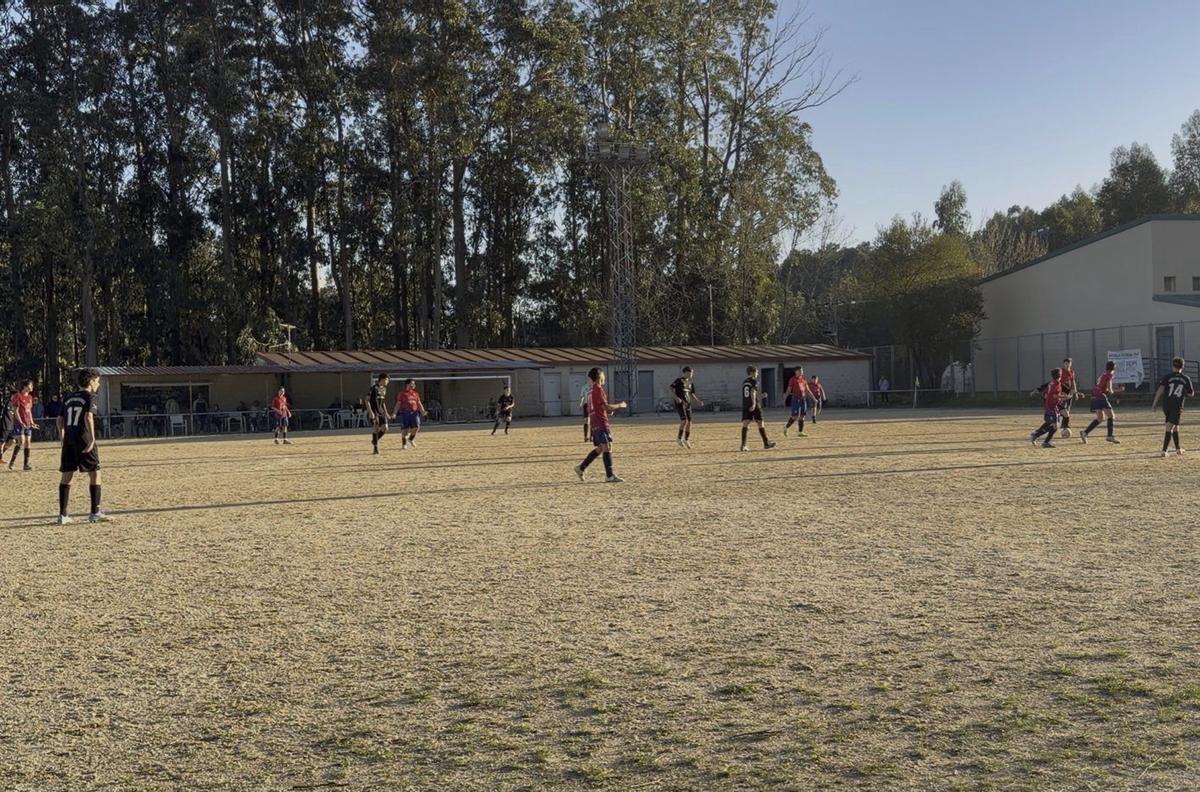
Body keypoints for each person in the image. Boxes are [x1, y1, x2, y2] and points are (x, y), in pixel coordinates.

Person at [57, 368, 110, 524]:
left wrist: (62, 438)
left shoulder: (67, 397)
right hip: (83, 438)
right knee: (95, 473)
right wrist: (92, 438)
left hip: (69, 440)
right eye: (98, 381)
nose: (98, 384)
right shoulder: (90, 396)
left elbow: (59, 420)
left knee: (67, 475)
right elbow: (88, 416)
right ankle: (95, 512)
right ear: (91, 381)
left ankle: (63, 515)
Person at [574, 367, 627, 483]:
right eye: (603, 375)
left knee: (601, 448)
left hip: (595, 422)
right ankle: (609, 476)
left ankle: (581, 468)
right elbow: (605, 407)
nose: (604, 378)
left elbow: (598, 408)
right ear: (599, 377)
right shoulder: (598, 389)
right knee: (607, 446)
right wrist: (620, 405)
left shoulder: (590, 391)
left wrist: (607, 410)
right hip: (601, 422)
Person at [1150, 357, 1194, 458]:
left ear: (1172, 366)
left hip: (1166, 404)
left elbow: (1160, 390)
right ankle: (1164, 450)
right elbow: (1191, 394)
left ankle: (1178, 449)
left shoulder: (1167, 377)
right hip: (1177, 405)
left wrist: (1154, 403)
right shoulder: (1185, 378)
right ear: (1183, 366)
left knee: (1175, 426)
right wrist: (1184, 392)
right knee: (1170, 426)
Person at [1080, 361, 1122, 444]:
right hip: (1100, 397)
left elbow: (1101, 386)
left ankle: (1085, 433)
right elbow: (1110, 389)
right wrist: (1118, 390)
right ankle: (1110, 436)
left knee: (1100, 418)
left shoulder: (1103, 374)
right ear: (1113, 368)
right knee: (1111, 416)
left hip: (1094, 396)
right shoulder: (1109, 375)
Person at [741, 366, 777, 452]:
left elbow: (749, 394)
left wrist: (761, 396)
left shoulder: (745, 382)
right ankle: (766, 443)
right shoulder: (755, 381)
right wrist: (754, 404)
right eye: (756, 372)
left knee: (745, 424)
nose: (757, 374)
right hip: (755, 405)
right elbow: (752, 392)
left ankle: (743, 445)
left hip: (745, 404)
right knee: (760, 423)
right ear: (752, 373)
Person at [6, 380, 39, 471]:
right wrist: (21, 423)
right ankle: (12, 462)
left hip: (27, 423)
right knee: (21, 441)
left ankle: (26, 464)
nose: (32, 387)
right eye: (30, 385)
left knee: (28, 442)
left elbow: (29, 412)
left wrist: (32, 422)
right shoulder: (18, 396)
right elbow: (16, 411)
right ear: (25, 386)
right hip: (19, 423)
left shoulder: (30, 397)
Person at [1029, 368, 1064, 448]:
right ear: (1060, 375)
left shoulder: (1052, 382)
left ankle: (1043, 439)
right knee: (1055, 425)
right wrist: (1064, 397)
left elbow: (1050, 393)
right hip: (1052, 406)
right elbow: (1054, 395)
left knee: (1050, 423)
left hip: (1049, 405)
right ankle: (1037, 436)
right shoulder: (1056, 383)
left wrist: (1061, 397)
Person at [670, 366, 703, 448]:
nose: (692, 374)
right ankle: (679, 439)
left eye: (692, 372)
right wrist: (676, 397)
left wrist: (698, 401)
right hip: (680, 403)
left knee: (689, 422)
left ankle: (686, 439)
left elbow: (692, 393)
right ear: (685, 373)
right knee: (684, 420)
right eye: (690, 372)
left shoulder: (690, 383)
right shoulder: (679, 381)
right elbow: (671, 388)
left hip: (688, 403)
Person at [395, 378, 428, 449]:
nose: (413, 385)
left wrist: (423, 412)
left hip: (414, 412)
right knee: (405, 429)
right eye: (412, 384)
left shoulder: (415, 393)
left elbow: (419, 403)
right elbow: (398, 403)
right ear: (407, 384)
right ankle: (404, 444)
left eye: (414, 384)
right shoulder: (402, 393)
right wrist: (395, 413)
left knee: (416, 427)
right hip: (405, 413)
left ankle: (411, 439)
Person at [366, 373, 392, 454]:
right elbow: (366, 400)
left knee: (385, 428)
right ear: (383, 379)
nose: (388, 382)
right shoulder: (374, 388)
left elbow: (383, 402)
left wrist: (386, 413)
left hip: (381, 411)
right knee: (376, 428)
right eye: (387, 380)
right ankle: (375, 448)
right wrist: (371, 412)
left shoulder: (384, 389)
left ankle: (374, 440)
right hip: (374, 411)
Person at [783, 366, 812, 437]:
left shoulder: (803, 379)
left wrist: (814, 399)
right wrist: (784, 398)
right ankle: (786, 427)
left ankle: (800, 432)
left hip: (803, 399)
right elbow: (789, 390)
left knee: (802, 416)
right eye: (799, 371)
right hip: (796, 399)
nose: (801, 372)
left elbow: (807, 390)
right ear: (796, 372)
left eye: (802, 370)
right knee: (795, 416)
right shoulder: (792, 379)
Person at [1057, 358, 1078, 437]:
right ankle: (1062, 425)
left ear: (1071, 364)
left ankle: (1064, 426)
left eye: (1069, 363)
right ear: (1063, 364)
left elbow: (1073, 382)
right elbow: (1058, 382)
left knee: (1068, 411)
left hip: (1069, 393)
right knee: (1063, 410)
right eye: (1066, 363)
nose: (1067, 365)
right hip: (1062, 393)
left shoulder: (1072, 371)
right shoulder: (1061, 371)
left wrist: (1075, 393)